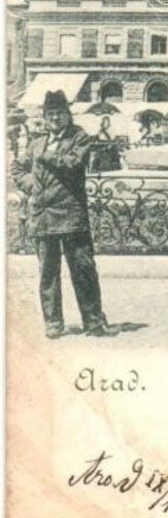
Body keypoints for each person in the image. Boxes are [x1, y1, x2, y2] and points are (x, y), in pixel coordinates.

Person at [12, 90, 115, 339]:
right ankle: (53, 323)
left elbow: (73, 163)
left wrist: (46, 156)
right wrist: (31, 185)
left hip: (71, 214)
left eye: (59, 113)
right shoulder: (36, 143)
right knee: (48, 273)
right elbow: (16, 167)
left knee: (83, 269)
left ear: (68, 115)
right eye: (50, 115)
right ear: (45, 118)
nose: (55, 119)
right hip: (43, 215)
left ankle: (92, 320)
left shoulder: (79, 138)